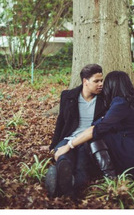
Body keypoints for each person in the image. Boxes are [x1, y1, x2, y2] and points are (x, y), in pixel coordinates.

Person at [54, 70, 134, 180]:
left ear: (111, 85)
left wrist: (69, 145)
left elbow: (98, 129)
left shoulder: (120, 102)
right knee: (100, 134)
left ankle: (109, 177)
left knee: (95, 137)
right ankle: (70, 174)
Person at [45, 63, 108, 198]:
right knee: (64, 159)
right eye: (96, 81)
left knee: (81, 165)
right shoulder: (68, 96)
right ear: (85, 81)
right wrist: (54, 144)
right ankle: (64, 177)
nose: (101, 84)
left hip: (89, 140)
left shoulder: (105, 99)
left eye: (101, 80)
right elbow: (61, 121)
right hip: (69, 138)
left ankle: (66, 189)